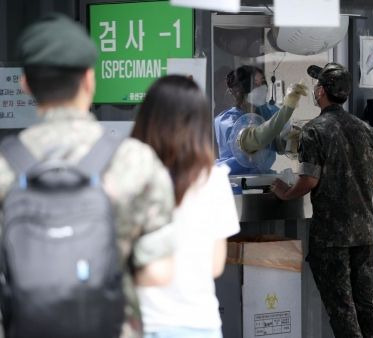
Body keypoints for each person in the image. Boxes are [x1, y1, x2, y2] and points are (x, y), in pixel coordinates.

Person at [0, 14, 175, 337]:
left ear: (25, 85)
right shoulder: (134, 161)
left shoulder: (5, 168)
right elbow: (159, 273)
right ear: (89, 79)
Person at [271, 62, 373, 338]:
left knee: (343, 310)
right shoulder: (365, 129)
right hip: (364, 236)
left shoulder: (315, 131)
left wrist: (284, 193)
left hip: (332, 239)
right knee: (368, 309)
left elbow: (309, 180)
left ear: (320, 91)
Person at [132, 75, 240, 338]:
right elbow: (215, 265)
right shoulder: (214, 180)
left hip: (144, 321)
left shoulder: (133, 175)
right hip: (200, 322)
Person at [214, 65, 307, 175]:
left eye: (263, 82)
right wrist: (287, 107)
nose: (262, 87)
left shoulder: (268, 111)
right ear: (239, 90)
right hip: (236, 182)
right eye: (255, 84)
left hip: (262, 179)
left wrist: (290, 140)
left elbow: (279, 143)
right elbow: (254, 139)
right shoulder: (227, 120)